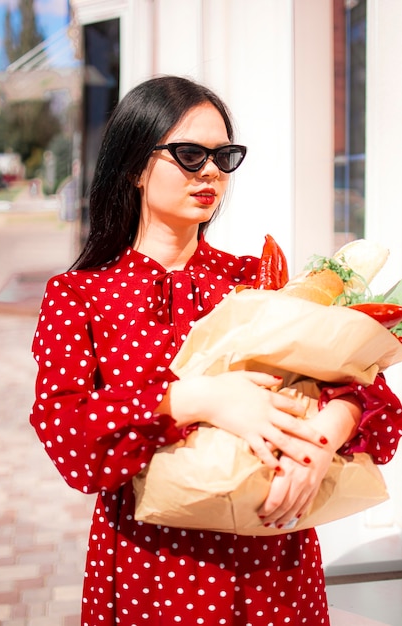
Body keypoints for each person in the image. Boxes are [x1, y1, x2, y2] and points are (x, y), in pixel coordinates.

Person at [30, 75, 402, 625]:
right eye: (188, 154)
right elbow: (69, 440)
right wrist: (198, 400)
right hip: (152, 569)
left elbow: (372, 400)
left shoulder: (255, 279)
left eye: (223, 156)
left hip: (274, 564)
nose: (210, 172)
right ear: (134, 165)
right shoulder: (79, 294)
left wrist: (323, 442)